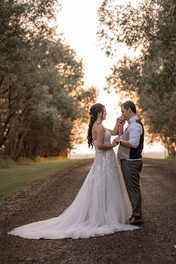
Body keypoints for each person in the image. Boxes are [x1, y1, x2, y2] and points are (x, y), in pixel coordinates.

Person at [8, 103, 138, 240]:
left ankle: (107, 216)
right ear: (99, 112)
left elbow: (115, 133)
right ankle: (103, 218)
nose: (106, 113)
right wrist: (113, 144)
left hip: (106, 163)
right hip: (104, 163)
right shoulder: (98, 127)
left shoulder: (100, 126)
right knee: (104, 189)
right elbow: (100, 146)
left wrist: (119, 123)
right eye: (105, 111)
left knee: (107, 189)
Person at [115, 101, 144, 225]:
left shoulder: (136, 125)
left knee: (133, 189)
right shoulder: (131, 124)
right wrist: (120, 125)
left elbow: (133, 143)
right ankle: (136, 214)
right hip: (128, 160)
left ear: (129, 110)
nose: (122, 114)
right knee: (131, 188)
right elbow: (123, 136)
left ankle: (137, 216)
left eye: (123, 111)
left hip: (132, 162)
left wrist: (120, 141)